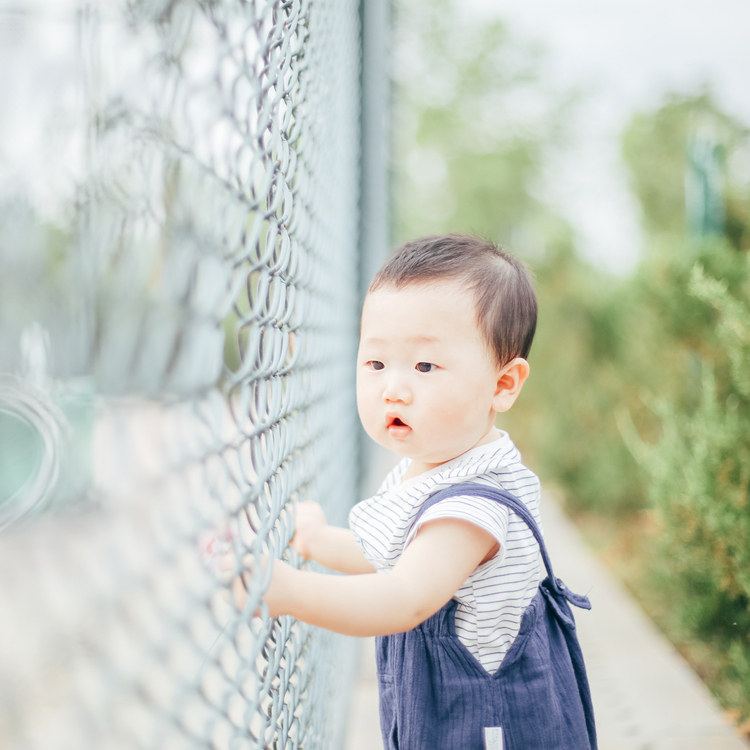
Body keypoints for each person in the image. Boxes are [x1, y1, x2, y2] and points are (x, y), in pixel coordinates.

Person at [227, 234, 594, 750]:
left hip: (488, 729)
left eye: (424, 366)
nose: (392, 389)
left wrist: (287, 591)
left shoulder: (473, 504)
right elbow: (400, 556)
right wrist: (315, 540)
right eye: (375, 364)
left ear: (503, 384)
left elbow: (404, 596)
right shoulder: (432, 466)